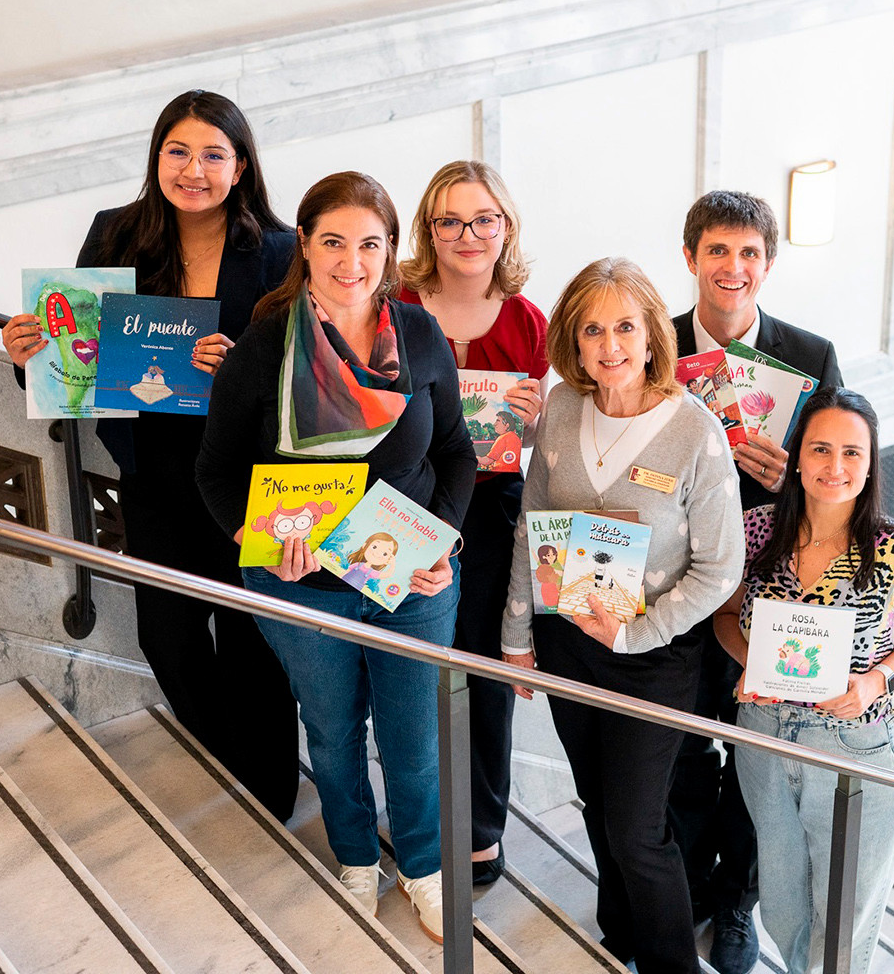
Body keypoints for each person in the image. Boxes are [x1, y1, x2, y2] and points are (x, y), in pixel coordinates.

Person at [0, 89, 300, 821]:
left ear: (241, 166)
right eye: (178, 151)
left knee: (254, 642)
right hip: (155, 473)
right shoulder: (115, 235)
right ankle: (228, 766)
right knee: (167, 638)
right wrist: (25, 352)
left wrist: (238, 368)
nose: (193, 169)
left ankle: (271, 795)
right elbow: (75, 357)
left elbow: (300, 367)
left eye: (212, 155)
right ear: (156, 156)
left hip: (245, 477)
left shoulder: (280, 250)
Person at [195, 171, 477, 942]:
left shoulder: (417, 336)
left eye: (370, 244)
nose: (351, 261)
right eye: (333, 242)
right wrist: (258, 545)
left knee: (415, 740)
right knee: (331, 731)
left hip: (409, 579)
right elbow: (215, 473)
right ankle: (357, 858)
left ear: (390, 253)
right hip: (305, 584)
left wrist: (445, 538)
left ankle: (423, 868)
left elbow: (455, 452)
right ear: (305, 247)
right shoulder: (263, 350)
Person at [502, 258, 743, 974]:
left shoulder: (695, 433)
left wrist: (637, 632)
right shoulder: (564, 412)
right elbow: (530, 525)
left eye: (626, 326)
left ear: (650, 336)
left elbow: (720, 569)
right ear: (573, 344)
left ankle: (671, 964)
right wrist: (517, 641)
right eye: (593, 329)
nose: (611, 345)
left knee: (639, 829)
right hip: (569, 640)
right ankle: (621, 932)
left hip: (655, 657)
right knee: (596, 801)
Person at [666, 190, 844, 974]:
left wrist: (792, 483)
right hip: (670, 587)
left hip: (769, 600)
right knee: (676, 749)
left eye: (748, 255)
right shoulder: (650, 343)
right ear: (691, 257)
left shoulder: (812, 355)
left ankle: (735, 900)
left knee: (755, 756)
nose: (733, 269)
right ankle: (687, 884)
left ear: (768, 264)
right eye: (718, 252)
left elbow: (843, 473)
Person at [713, 387, 894, 974]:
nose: (835, 467)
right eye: (820, 449)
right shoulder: (757, 530)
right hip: (764, 735)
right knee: (785, 908)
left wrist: (875, 682)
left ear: (869, 466)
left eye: (851, 453)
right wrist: (749, 664)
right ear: (797, 456)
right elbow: (722, 615)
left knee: (842, 919)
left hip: (857, 744)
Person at [398, 160, 547, 886]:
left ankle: (485, 825)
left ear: (505, 226)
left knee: (485, 672)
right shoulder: (394, 303)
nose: (467, 234)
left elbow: (547, 441)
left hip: (491, 513)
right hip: (405, 503)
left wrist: (538, 417)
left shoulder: (528, 321)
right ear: (430, 229)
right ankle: (420, 818)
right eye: (450, 220)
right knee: (412, 668)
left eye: (483, 219)